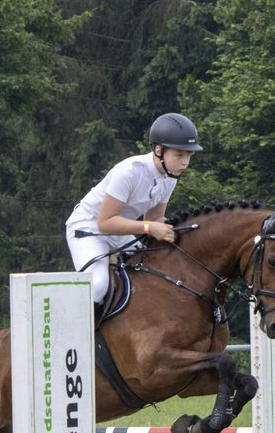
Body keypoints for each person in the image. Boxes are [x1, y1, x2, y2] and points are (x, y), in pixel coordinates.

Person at [65, 112, 203, 306]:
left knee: (156, 268)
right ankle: (78, 332)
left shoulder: (169, 178)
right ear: (158, 150)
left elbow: (154, 219)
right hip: (88, 229)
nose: (185, 162)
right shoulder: (129, 171)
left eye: (189, 155)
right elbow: (105, 223)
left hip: (120, 230)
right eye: (179, 155)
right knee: (97, 285)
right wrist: (150, 228)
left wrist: (170, 228)